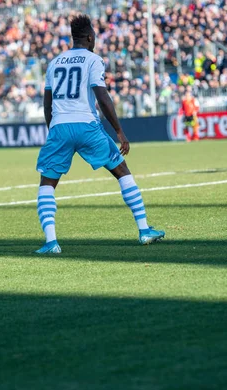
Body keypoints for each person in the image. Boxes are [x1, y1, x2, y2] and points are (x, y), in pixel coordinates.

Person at [35, 15, 165, 254]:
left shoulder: (55, 62)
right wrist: (118, 131)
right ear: (90, 37)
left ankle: (51, 242)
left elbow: (47, 102)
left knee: (47, 184)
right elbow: (102, 96)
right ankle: (144, 230)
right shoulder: (93, 60)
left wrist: (52, 129)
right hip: (86, 125)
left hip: (60, 127)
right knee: (121, 171)